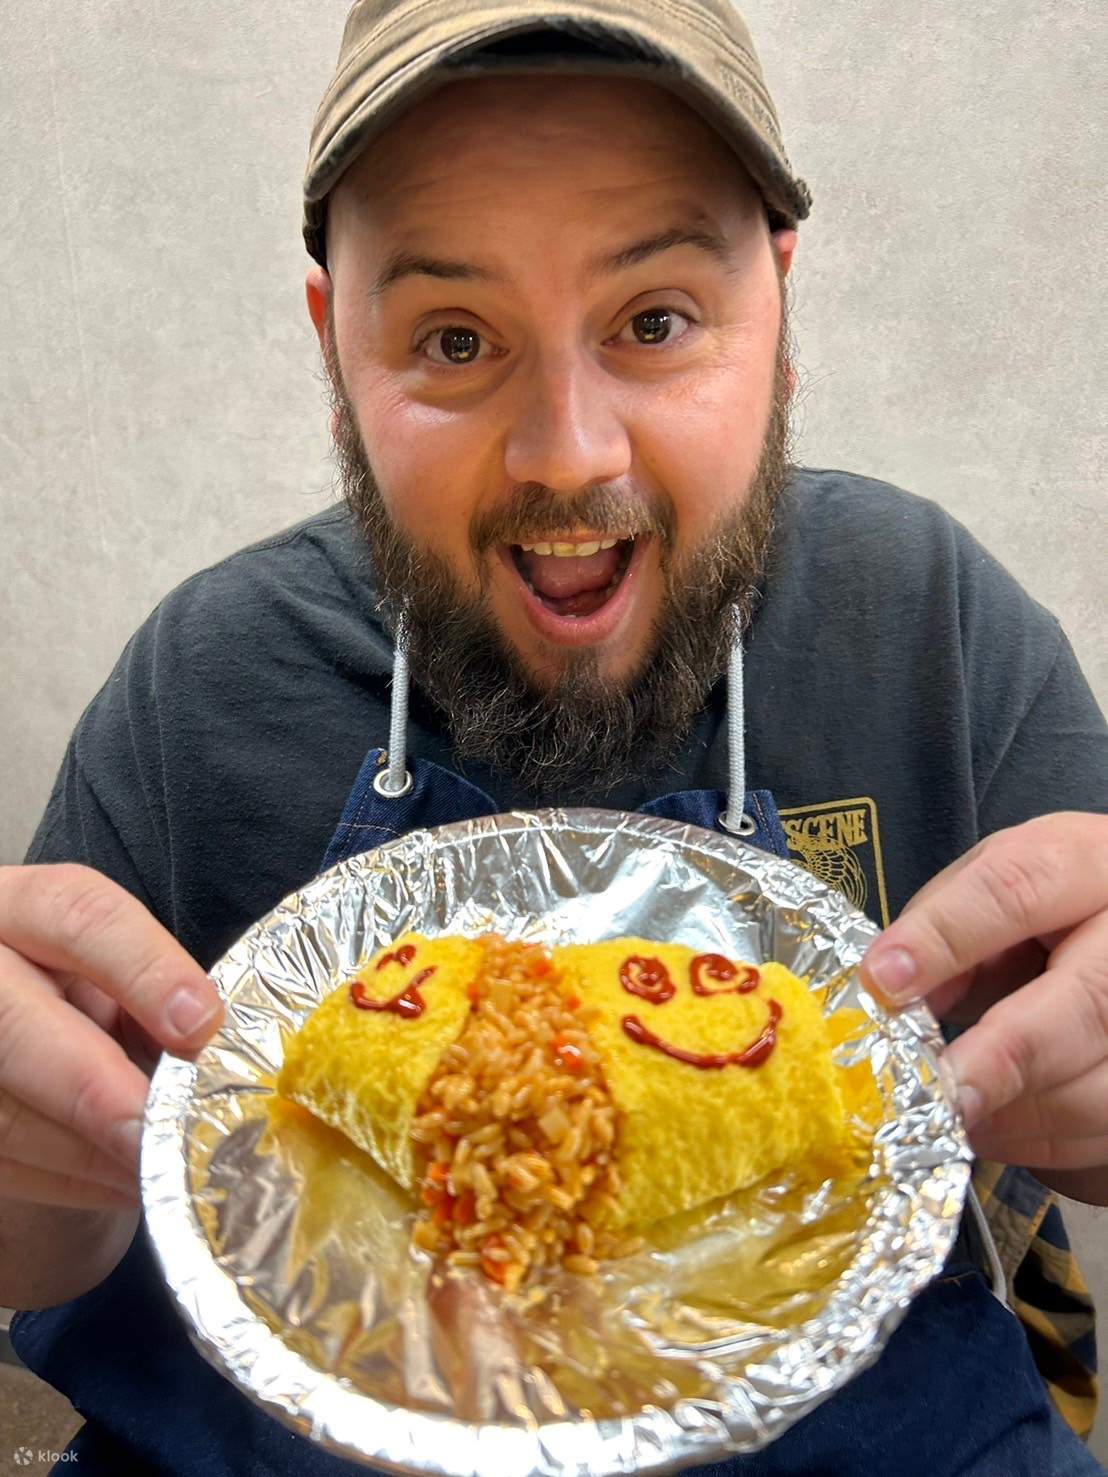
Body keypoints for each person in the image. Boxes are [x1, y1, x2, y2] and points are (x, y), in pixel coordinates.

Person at [2, 1, 1105, 1473]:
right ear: (339, 346)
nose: (569, 454)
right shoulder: (200, 688)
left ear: (779, 309)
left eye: (655, 322)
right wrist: (42, 1190)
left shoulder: (933, 629)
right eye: (456, 338)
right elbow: (42, 1236)